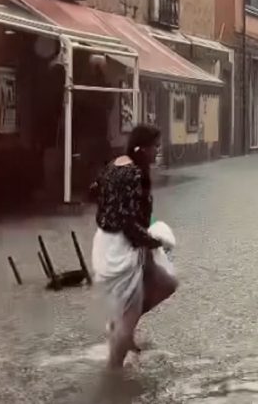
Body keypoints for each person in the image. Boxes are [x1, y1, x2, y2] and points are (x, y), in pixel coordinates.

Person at [91, 124, 177, 369]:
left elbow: (93, 191)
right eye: (155, 147)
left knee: (166, 283)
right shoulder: (133, 174)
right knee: (129, 314)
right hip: (123, 247)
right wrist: (155, 241)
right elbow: (128, 224)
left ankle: (121, 328)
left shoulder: (115, 165)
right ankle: (113, 375)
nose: (157, 152)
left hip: (110, 240)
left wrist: (111, 206)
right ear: (143, 148)